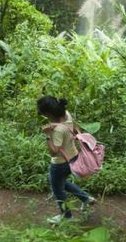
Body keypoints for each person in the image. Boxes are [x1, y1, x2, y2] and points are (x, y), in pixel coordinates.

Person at [37, 95, 96, 224]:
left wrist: (47, 135)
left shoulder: (57, 130)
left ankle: (67, 216)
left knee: (58, 189)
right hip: (73, 157)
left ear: (48, 113)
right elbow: (74, 128)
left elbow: (54, 152)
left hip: (60, 164)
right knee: (57, 181)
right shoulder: (67, 114)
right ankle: (85, 198)